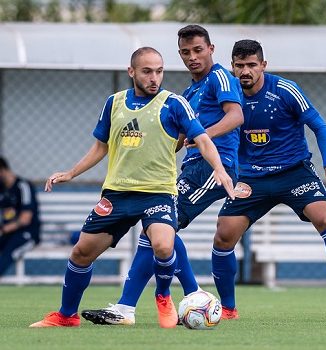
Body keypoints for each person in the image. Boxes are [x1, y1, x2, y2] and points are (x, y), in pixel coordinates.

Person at [29, 46, 235, 328]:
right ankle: (67, 316)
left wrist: (220, 170)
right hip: (117, 194)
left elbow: (202, 139)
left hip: (158, 193)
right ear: (132, 72)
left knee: (163, 245)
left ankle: (163, 296)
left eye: (159, 71)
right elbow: (100, 146)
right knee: (81, 252)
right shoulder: (113, 103)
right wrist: (71, 172)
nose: (154, 77)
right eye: (147, 71)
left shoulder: (174, 104)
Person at [80, 24, 243, 326]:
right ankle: (189, 294)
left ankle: (131, 306)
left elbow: (236, 116)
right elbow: (180, 134)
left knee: (161, 226)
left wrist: (201, 139)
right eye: (185, 52)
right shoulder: (191, 90)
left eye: (198, 50)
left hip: (212, 167)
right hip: (191, 167)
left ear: (211, 49)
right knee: (161, 231)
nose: (192, 57)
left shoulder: (220, 76)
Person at [210, 39, 326, 321]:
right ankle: (228, 308)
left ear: (263, 65)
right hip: (252, 178)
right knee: (224, 235)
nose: (245, 70)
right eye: (239, 66)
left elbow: (319, 125)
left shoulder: (285, 90)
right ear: (232, 67)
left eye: (251, 65)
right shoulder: (227, 94)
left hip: (294, 172)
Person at [0, 156, 41, 277]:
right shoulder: (2, 189)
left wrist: (2, 230)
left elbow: (25, 219)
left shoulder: (23, 186)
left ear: (2, 170)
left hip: (28, 234)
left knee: (9, 253)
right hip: (8, 233)